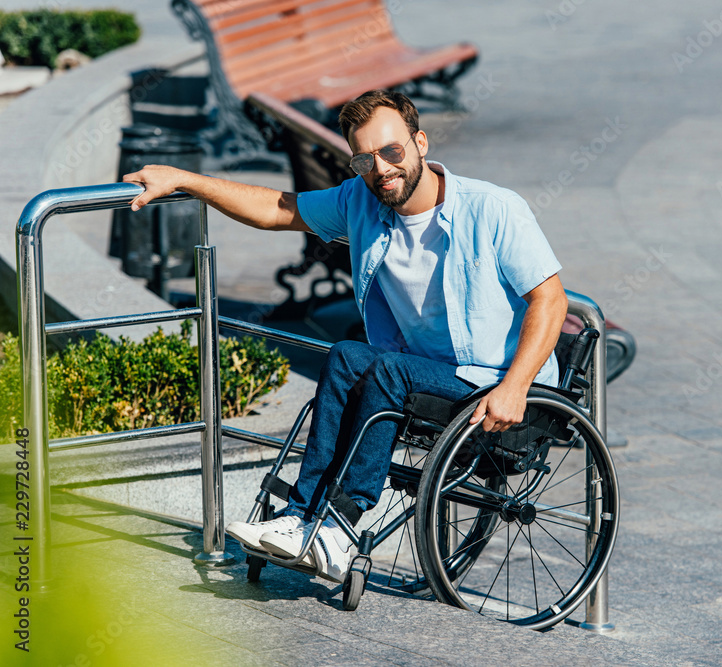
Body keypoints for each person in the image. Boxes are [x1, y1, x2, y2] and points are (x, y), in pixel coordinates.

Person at [124, 89, 567, 583]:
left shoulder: (493, 209)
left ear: (420, 142)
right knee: (346, 355)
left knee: (385, 369)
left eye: (392, 152)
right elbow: (276, 208)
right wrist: (183, 180)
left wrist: (516, 386)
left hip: (496, 381)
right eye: (365, 159)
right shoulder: (360, 201)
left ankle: (340, 527)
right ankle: (300, 517)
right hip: (425, 373)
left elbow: (550, 300)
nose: (381, 169)